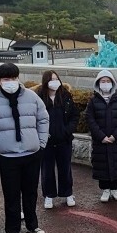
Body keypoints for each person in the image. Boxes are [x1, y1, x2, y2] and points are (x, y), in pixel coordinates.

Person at [0, 63, 50, 233]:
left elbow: (43, 119)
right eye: (6, 79)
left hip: (31, 153)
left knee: (31, 192)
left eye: (14, 78)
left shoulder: (32, 97)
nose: (11, 82)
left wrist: (41, 143)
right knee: (11, 194)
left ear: (19, 78)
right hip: (7, 156)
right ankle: (12, 230)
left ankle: (32, 225)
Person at [37, 70, 79, 209]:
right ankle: (49, 196)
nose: (54, 82)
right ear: (45, 82)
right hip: (46, 142)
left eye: (56, 79)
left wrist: (67, 131)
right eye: (51, 79)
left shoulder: (66, 96)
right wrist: (42, 134)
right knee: (47, 169)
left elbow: (74, 116)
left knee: (65, 168)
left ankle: (67, 193)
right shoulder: (39, 98)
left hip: (64, 140)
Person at [86, 68, 117, 203]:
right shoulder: (93, 101)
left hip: (116, 139)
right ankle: (105, 189)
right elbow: (90, 120)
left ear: (112, 83)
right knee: (102, 164)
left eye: (108, 81)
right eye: (102, 81)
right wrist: (101, 136)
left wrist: (116, 135)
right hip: (101, 140)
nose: (105, 83)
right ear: (98, 83)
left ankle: (115, 189)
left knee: (116, 162)